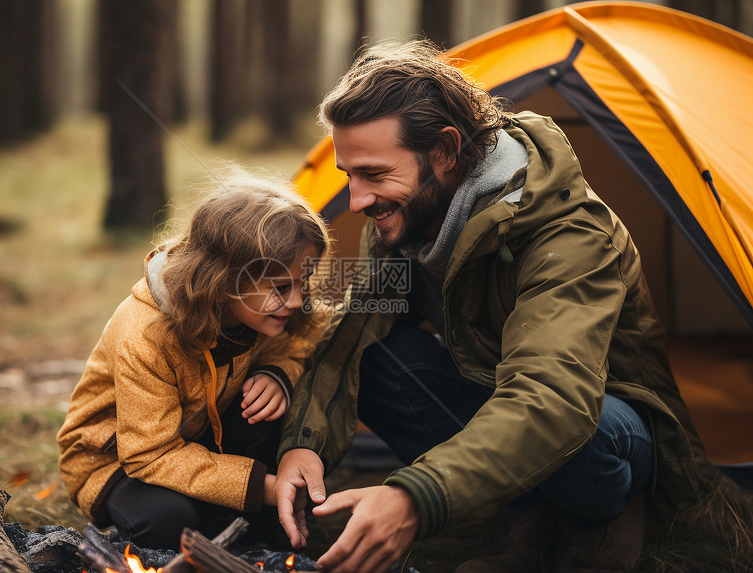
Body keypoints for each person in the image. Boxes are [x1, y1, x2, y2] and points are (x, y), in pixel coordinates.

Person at [274, 41, 717, 573]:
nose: (357, 200)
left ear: (444, 151)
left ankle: (601, 522)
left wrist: (415, 497)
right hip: (499, 391)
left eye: (373, 173)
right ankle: (527, 510)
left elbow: (551, 398)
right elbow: (348, 341)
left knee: (579, 429)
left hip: (607, 419)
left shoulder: (571, 234)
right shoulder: (401, 223)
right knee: (372, 356)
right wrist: (302, 447)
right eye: (348, 175)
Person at [57, 171, 332, 551]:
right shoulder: (147, 336)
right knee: (168, 520)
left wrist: (278, 373)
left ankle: (263, 547)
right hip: (116, 458)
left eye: (305, 281)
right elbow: (148, 453)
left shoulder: (260, 310)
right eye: (282, 287)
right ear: (224, 282)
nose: (298, 300)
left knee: (264, 410)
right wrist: (261, 487)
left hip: (197, 435)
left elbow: (307, 337)